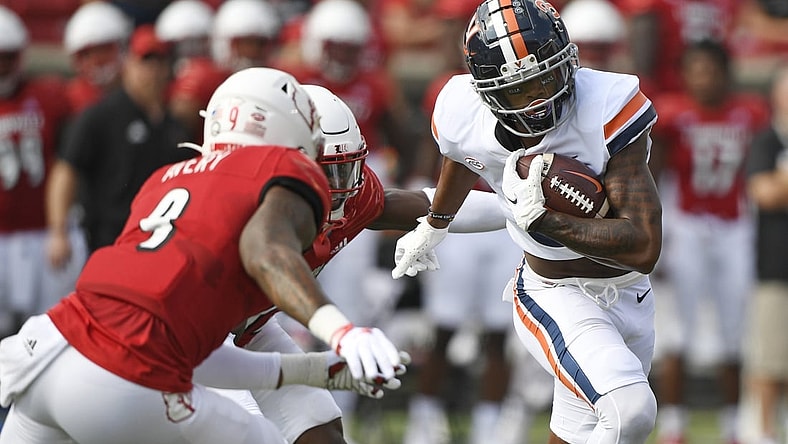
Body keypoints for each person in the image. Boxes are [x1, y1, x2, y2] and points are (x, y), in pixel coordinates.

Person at [0, 67, 407, 444]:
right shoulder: (280, 177)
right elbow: (266, 252)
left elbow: (186, 344)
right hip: (126, 374)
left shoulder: (163, 180)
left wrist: (314, 370)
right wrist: (341, 331)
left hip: (47, 352)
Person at [391, 1, 663, 443]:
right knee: (630, 411)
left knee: (579, 432)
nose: (538, 101)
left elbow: (644, 246)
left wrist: (545, 220)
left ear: (569, 62)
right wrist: (436, 223)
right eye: (519, 91)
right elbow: (461, 156)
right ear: (487, 93)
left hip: (632, 292)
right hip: (555, 291)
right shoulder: (463, 111)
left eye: (546, 78)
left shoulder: (607, 106)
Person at [649, 39, 770, 444]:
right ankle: (674, 424)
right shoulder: (672, 114)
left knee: (735, 330)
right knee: (676, 330)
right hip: (686, 225)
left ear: (727, 73)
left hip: (735, 227)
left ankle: (735, 422)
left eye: (712, 70)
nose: (705, 79)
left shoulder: (748, 113)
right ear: (684, 75)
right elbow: (653, 176)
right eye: (696, 70)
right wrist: (658, 236)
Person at [46, 24, 196, 262]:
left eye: (160, 61)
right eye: (146, 61)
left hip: (162, 240)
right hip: (109, 239)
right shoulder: (100, 116)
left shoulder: (175, 124)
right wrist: (58, 232)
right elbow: (66, 170)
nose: (154, 70)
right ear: (128, 64)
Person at [0, 6, 78, 337]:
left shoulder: (49, 97)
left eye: (6, 57)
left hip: (42, 233)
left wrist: (61, 227)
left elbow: (69, 161)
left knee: (46, 330)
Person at [739, 64, 788, 444]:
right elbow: (765, 193)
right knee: (770, 358)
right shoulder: (767, 140)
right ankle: (763, 431)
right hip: (776, 266)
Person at [62, 1, 133, 115]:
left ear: (123, 48)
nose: (97, 62)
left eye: (104, 52)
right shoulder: (68, 100)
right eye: (86, 55)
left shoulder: (139, 94)